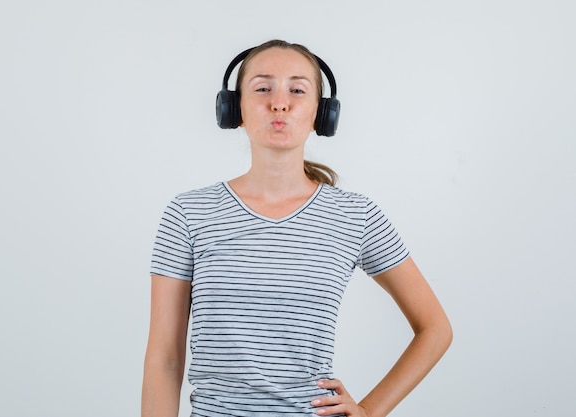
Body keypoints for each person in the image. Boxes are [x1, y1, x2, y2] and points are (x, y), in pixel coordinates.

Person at [141, 39, 452, 417]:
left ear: (321, 114)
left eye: (297, 89)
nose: (279, 102)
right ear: (233, 108)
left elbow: (435, 329)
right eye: (262, 88)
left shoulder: (356, 216)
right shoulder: (189, 213)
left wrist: (370, 410)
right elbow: (164, 360)